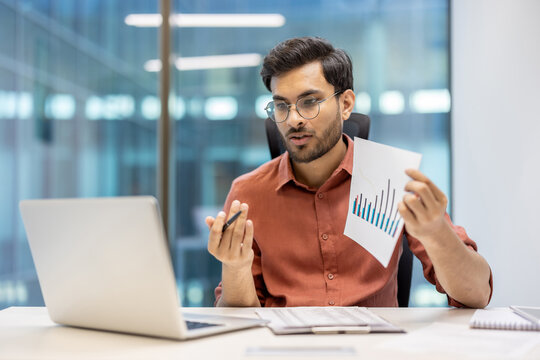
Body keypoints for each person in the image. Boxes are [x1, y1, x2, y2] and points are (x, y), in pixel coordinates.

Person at [205, 37, 492, 308]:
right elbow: (236, 318)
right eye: (281, 106)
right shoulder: (248, 193)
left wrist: (436, 234)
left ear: (345, 104)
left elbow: (477, 294)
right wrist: (235, 268)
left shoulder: (391, 178)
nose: (293, 119)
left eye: (309, 102)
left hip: (376, 347)